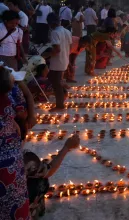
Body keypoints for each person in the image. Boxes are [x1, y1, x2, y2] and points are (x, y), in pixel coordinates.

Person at [23, 134, 80, 218]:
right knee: (40, 179)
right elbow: (48, 171)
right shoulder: (23, 159)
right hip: (23, 212)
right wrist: (67, 147)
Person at [0, 66, 30, 219]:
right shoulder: (8, 98)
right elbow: (22, 113)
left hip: (10, 161)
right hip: (9, 164)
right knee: (14, 201)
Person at [41, 13, 72, 111]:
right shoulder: (67, 31)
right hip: (65, 59)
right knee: (54, 80)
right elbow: (70, 47)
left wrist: (46, 56)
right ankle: (63, 95)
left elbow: (57, 50)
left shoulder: (55, 32)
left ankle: (60, 105)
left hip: (57, 61)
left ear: (52, 23)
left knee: (56, 83)